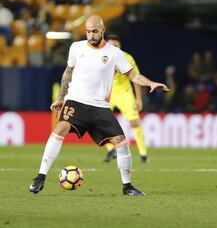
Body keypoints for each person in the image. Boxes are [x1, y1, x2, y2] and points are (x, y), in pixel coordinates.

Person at [29, 15, 169, 196]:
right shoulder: (76, 47)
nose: (91, 35)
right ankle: (40, 177)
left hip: (100, 107)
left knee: (122, 142)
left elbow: (133, 75)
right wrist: (61, 97)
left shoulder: (114, 53)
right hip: (76, 101)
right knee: (60, 128)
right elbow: (68, 72)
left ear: (103, 29)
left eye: (94, 31)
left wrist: (150, 83)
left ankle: (127, 187)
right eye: (88, 31)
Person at [103, 34, 148, 163]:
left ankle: (143, 154)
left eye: (115, 45)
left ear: (119, 46)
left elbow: (136, 78)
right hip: (108, 93)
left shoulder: (127, 58)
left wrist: (138, 98)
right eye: (111, 45)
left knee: (134, 122)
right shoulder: (102, 57)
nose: (113, 47)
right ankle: (111, 150)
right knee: (99, 122)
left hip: (125, 93)